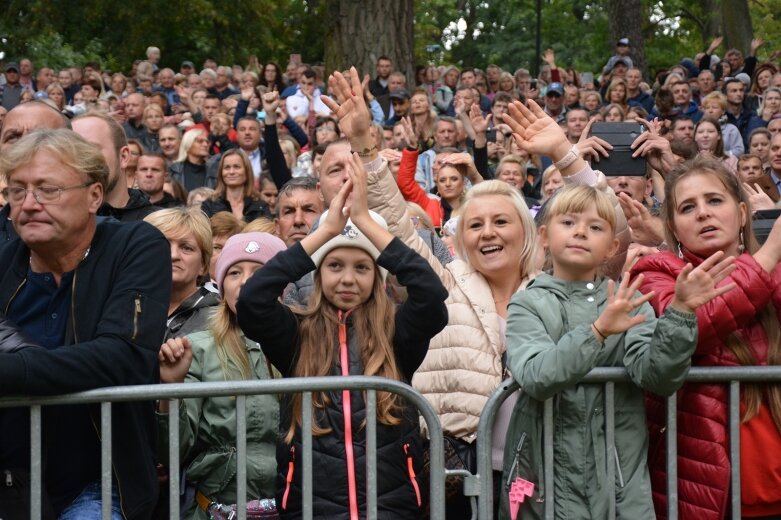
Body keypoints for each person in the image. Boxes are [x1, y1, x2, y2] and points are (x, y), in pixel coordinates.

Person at [235, 151, 448, 519]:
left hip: (391, 505)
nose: (348, 278)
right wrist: (324, 234)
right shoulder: (296, 333)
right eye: (334, 266)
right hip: (310, 505)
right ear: (318, 275)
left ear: (377, 277)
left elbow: (431, 295)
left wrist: (366, 223)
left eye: (362, 267)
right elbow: (252, 300)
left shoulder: (396, 332)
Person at [501, 183, 734, 519]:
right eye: (568, 223)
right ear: (544, 236)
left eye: (595, 227)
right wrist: (596, 332)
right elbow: (537, 375)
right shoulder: (527, 302)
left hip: (619, 482)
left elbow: (658, 377)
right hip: (542, 483)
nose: (581, 232)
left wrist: (680, 312)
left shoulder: (629, 301)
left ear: (611, 247)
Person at [0, 129, 171, 519]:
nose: (28, 204)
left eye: (47, 189)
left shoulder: (136, 246)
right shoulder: (4, 264)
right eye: (16, 191)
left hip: (103, 482)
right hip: (13, 484)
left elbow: (122, 355)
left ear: (95, 196)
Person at [631, 156, 781, 519]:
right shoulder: (656, 272)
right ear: (673, 227)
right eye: (687, 207)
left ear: (743, 213)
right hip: (710, 494)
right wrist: (770, 253)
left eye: (715, 200)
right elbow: (690, 330)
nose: (703, 213)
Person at [157, 232, 285, 519]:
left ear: (281, 285)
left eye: (260, 272)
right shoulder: (198, 348)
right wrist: (171, 388)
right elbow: (173, 451)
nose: (245, 282)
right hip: (213, 510)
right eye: (234, 272)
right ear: (221, 285)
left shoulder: (305, 346)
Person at [144, 207, 219, 340]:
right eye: (163, 245)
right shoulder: (122, 307)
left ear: (203, 265)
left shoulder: (221, 320)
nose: (173, 255)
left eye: (186, 248)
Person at [199, 149, 271, 222]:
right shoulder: (209, 205)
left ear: (247, 171)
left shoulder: (260, 206)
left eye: (236, 167)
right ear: (221, 172)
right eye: (227, 167)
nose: (231, 172)